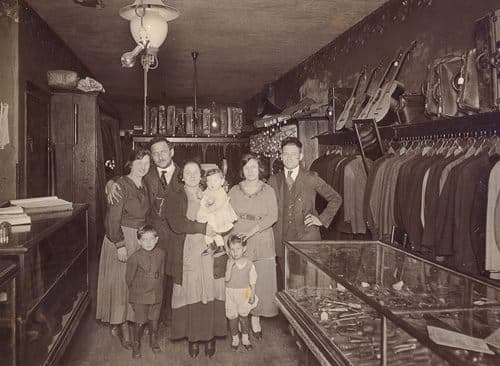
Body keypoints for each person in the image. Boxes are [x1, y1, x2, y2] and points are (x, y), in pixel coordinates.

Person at [107, 137, 179, 325]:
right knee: (144, 278)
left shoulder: (184, 173)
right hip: (148, 238)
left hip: (177, 236)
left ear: (172, 151)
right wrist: (111, 183)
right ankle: (146, 319)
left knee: (173, 278)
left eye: (163, 151)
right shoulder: (148, 173)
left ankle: (170, 320)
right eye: (155, 153)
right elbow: (126, 178)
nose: (159, 156)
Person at [165, 161, 227, 358]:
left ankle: (210, 337)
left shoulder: (211, 191)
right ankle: (193, 338)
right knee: (192, 291)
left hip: (210, 248)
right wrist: (203, 228)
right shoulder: (175, 195)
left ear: (201, 175)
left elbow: (223, 213)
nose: (192, 175)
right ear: (181, 175)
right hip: (188, 249)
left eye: (195, 172)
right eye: (187, 172)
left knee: (209, 290)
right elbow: (177, 223)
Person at [268, 137, 342, 289]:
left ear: (300, 156)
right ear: (281, 156)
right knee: (285, 284)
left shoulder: (311, 178)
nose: (289, 158)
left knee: (306, 283)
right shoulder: (273, 180)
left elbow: (336, 198)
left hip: (306, 238)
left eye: (293, 154)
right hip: (282, 239)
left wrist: (321, 219)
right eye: (285, 154)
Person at [96, 148, 151, 350]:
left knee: (133, 284)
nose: (143, 166)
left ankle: (123, 321)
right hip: (121, 237)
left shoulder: (143, 184)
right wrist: (119, 244)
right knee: (122, 284)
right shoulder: (120, 185)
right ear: (130, 164)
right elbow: (112, 219)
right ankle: (123, 326)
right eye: (139, 162)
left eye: (147, 163)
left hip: (138, 238)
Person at [228, 153, 278, 339]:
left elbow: (273, 216)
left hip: (262, 238)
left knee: (261, 280)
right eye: (247, 167)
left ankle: (256, 317)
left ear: (260, 169)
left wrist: (251, 231)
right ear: (242, 170)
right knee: (242, 280)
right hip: (239, 239)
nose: (250, 171)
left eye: (254, 167)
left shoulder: (268, 190)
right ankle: (244, 317)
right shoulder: (234, 190)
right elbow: (226, 214)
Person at [126, 225, 165, 358]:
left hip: (156, 295)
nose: (148, 243)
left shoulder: (161, 254)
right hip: (140, 297)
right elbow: (129, 279)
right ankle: (136, 343)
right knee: (140, 321)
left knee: (154, 320)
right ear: (139, 241)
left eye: (151, 239)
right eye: (144, 239)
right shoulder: (134, 257)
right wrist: (136, 293)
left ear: (156, 239)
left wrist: (159, 289)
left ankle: (153, 340)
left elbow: (162, 273)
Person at [225, 234, 258, 351]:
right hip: (230, 294)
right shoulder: (229, 262)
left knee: (244, 317)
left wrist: (253, 293)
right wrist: (229, 267)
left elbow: (253, 280)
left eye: (238, 249)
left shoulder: (249, 264)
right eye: (232, 249)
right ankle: (235, 339)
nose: (235, 252)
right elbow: (227, 279)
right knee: (232, 317)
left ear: (244, 248)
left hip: (244, 292)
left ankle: (245, 338)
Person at [197, 168, 238, 254]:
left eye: (215, 180)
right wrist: (201, 196)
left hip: (218, 215)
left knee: (214, 230)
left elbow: (217, 205)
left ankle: (220, 246)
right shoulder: (208, 190)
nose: (212, 183)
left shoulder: (221, 192)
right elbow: (204, 196)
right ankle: (211, 245)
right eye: (209, 181)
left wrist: (207, 205)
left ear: (222, 181)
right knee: (208, 229)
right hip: (211, 214)